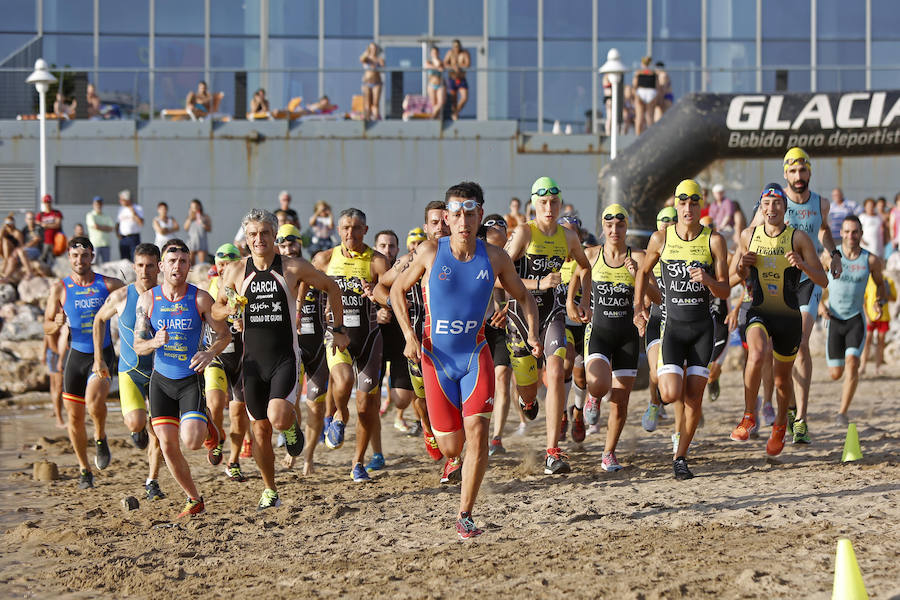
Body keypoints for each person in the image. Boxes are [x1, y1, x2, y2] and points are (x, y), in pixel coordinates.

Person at [389, 181, 541, 539]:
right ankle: (444, 447)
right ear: (446, 217)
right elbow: (396, 290)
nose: (463, 221)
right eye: (456, 214)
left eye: (469, 213)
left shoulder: (496, 257)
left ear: (479, 215)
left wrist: (532, 333)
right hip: (435, 359)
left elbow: (524, 296)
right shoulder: (430, 252)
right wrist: (409, 335)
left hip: (475, 355)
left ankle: (465, 513)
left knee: (478, 433)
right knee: (452, 446)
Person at [215, 209, 348, 507]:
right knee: (259, 430)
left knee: (277, 417)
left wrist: (339, 329)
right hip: (252, 364)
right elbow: (216, 309)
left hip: (285, 358)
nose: (258, 239)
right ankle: (270, 489)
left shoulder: (292, 267)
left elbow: (332, 287)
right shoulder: (235, 271)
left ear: (274, 235)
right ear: (246, 238)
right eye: (253, 234)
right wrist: (229, 310)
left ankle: (289, 426)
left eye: (264, 233)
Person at [634, 179, 730, 479]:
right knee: (671, 392)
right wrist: (639, 307)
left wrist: (709, 280)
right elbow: (643, 272)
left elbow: (725, 290)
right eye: (683, 202)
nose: (688, 208)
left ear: (702, 205)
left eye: (693, 202)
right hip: (673, 327)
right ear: (676, 205)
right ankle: (660, 406)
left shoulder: (714, 241)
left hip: (702, 330)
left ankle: (680, 457)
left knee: (694, 398)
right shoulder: (661, 239)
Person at [133, 239, 229, 517]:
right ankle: (194, 498)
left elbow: (225, 335)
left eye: (183, 261)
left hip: (190, 379)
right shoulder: (148, 300)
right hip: (161, 381)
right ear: (161, 266)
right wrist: (154, 342)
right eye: (172, 261)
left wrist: (209, 353)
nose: (178, 266)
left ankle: (209, 428)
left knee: (192, 442)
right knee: (167, 445)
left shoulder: (200, 299)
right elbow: (138, 345)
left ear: (189, 266)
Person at [503, 176, 592, 475]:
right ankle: (526, 402)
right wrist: (538, 283)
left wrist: (582, 301)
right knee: (528, 393)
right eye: (543, 202)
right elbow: (501, 276)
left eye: (554, 202)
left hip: (552, 313)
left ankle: (552, 451)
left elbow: (585, 266)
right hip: (521, 315)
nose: (549, 208)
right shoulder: (524, 232)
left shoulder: (568, 237)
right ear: (534, 204)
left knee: (555, 371)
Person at [730, 184, 827, 456]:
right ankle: (748, 416)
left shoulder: (798, 238)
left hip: (788, 315)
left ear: (785, 208)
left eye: (777, 203)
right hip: (759, 310)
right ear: (760, 208)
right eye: (766, 203)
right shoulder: (748, 236)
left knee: (783, 381)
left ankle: (781, 425)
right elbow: (735, 276)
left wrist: (803, 265)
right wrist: (742, 265)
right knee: (757, 353)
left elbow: (823, 280)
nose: (771, 208)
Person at [311, 208, 389, 482]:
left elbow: (390, 295)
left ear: (365, 230)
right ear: (338, 229)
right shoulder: (325, 259)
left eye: (356, 228)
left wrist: (381, 303)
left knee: (366, 408)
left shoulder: (377, 261)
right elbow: (305, 287)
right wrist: (302, 313)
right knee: (343, 382)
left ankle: (358, 463)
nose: (350, 233)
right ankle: (339, 416)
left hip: (369, 338)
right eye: (345, 227)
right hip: (337, 334)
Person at [371, 202, 451, 471]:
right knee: (422, 399)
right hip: (418, 338)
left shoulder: (463, 256)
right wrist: (393, 304)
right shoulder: (409, 260)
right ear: (426, 227)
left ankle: (455, 454)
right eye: (434, 222)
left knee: (453, 399)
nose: (441, 227)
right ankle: (426, 427)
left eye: (445, 221)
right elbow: (380, 287)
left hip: (452, 340)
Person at [580, 205, 659, 471]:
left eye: (620, 225)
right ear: (603, 227)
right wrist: (577, 304)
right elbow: (576, 279)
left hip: (627, 335)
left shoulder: (639, 256)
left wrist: (637, 275)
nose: (615, 230)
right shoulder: (592, 255)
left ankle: (608, 453)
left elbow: (658, 298)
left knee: (621, 401)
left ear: (627, 227)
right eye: (610, 225)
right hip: (600, 332)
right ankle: (593, 398)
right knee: (599, 385)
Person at [43, 237, 125, 489]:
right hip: (75, 356)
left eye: (85, 255)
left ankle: (100, 436)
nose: (80, 260)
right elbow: (46, 326)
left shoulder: (107, 284)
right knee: (74, 418)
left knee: (93, 401)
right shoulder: (60, 288)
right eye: (75, 256)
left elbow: (133, 295)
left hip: (102, 353)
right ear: (69, 257)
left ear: (92, 257)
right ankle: (84, 470)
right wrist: (55, 324)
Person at [91, 243, 166, 500]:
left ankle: (152, 481)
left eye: (150, 266)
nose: (145, 271)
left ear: (159, 267)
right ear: (134, 267)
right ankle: (137, 429)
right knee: (136, 422)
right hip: (130, 371)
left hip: (160, 373)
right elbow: (99, 320)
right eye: (140, 266)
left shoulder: (166, 297)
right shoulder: (122, 296)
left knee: (158, 430)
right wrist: (100, 359)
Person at [779, 148, 842, 443]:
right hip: (779, 281)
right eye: (793, 171)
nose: (798, 176)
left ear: (809, 172)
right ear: (785, 174)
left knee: (801, 344)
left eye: (802, 171)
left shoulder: (821, 203)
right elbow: (752, 233)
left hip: (809, 279)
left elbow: (824, 230)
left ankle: (802, 419)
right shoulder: (776, 201)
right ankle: (791, 408)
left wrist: (834, 253)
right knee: (782, 352)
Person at [821, 216, 886, 427]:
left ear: (861, 234)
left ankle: (842, 412)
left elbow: (881, 286)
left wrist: (878, 302)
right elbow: (814, 282)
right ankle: (841, 398)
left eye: (855, 232)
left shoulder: (871, 260)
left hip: (855, 320)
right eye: (847, 231)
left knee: (853, 362)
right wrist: (820, 305)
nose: (851, 236)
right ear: (841, 233)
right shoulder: (829, 257)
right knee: (835, 374)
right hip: (834, 320)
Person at [276, 226, 329, 475]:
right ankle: (293, 445)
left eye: (292, 244)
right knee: (291, 404)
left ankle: (309, 456)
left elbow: (333, 292)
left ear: (300, 244)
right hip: (290, 350)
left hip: (316, 347)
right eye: (283, 246)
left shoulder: (313, 271)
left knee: (316, 406)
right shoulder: (276, 277)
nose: (288, 249)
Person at [204, 243, 251, 482]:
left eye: (229, 263)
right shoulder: (209, 289)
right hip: (217, 356)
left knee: (238, 412)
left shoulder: (245, 285)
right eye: (220, 264)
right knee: (214, 404)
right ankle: (218, 437)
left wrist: (246, 322)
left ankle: (233, 461)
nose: (224, 268)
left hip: (241, 358)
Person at [479, 214, 522, 455]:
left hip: (504, 326)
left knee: (502, 378)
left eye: (500, 231)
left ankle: (497, 437)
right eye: (491, 233)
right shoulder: (476, 257)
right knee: (481, 382)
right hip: (479, 326)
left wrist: (506, 309)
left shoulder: (513, 258)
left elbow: (518, 289)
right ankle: (478, 431)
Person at [640, 206, 677, 434]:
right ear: (657, 225)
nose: (669, 224)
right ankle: (654, 403)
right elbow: (644, 288)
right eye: (664, 220)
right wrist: (640, 308)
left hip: (680, 320)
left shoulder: (685, 251)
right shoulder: (650, 253)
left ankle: (681, 429)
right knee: (654, 372)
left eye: (673, 220)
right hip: (657, 317)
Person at [861, 270, 896, 376]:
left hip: (884, 317)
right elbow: (863, 301)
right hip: (871, 317)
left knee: (881, 343)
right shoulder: (868, 281)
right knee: (867, 342)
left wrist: (886, 294)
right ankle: (863, 366)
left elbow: (894, 298)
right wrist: (867, 317)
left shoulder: (888, 281)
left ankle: (878, 367)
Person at [443, 40, 471, 121]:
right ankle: (454, 117)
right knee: (453, 99)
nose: (456, 48)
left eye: (458, 46)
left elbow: (467, 64)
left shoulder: (464, 53)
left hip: (461, 79)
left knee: (464, 97)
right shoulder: (450, 53)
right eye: (455, 46)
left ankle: (455, 112)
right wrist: (453, 67)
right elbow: (445, 63)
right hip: (452, 78)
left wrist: (459, 66)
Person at [632, 56, 658, 135]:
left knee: (642, 117)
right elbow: (658, 87)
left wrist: (636, 96)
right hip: (649, 93)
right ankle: (650, 136)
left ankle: (638, 137)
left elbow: (634, 86)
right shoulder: (653, 73)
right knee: (648, 117)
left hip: (643, 92)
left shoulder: (639, 73)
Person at [85, 197, 115, 264]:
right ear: (93, 205)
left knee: (107, 265)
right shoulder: (90, 215)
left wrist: (99, 226)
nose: (98, 206)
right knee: (93, 264)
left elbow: (112, 228)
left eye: (100, 204)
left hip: (106, 244)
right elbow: (95, 226)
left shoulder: (106, 216)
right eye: (96, 204)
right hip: (95, 244)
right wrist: (106, 227)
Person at [116, 189, 144, 261]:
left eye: (122, 200)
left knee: (134, 258)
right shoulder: (121, 209)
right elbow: (118, 223)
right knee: (124, 260)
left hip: (134, 238)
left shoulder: (137, 208)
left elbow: (141, 223)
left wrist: (133, 212)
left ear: (127, 200)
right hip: (123, 238)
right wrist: (117, 233)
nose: (120, 201)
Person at [360, 42, 384, 121]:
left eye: (375, 49)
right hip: (367, 83)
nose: (373, 50)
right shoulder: (366, 59)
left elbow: (383, 69)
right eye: (372, 48)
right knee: (367, 103)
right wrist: (367, 52)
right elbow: (361, 59)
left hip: (377, 83)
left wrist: (379, 64)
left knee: (375, 103)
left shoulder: (379, 59)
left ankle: (376, 117)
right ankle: (367, 118)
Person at [183, 199, 212, 265]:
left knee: (203, 263)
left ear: (199, 206)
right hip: (192, 241)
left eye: (195, 207)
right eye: (192, 207)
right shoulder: (189, 218)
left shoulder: (205, 216)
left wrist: (202, 223)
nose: (194, 209)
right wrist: (190, 218)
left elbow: (209, 229)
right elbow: (185, 228)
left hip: (201, 241)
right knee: (190, 263)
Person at [37, 194, 63, 262]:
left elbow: (58, 225)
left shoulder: (56, 213)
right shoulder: (41, 215)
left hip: (55, 241)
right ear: (43, 203)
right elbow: (37, 224)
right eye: (46, 202)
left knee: (55, 260)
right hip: (44, 241)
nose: (47, 204)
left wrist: (46, 225)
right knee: (43, 259)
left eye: (49, 202)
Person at [425, 46, 446, 120]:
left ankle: (432, 117)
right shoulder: (429, 62)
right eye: (433, 52)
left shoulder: (441, 61)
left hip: (440, 85)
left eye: (436, 52)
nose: (435, 54)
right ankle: (436, 119)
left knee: (440, 103)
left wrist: (438, 63)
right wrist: (437, 67)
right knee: (434, 104)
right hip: (431, 85)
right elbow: (427, 66)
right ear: (431, 53)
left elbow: (442, 67)